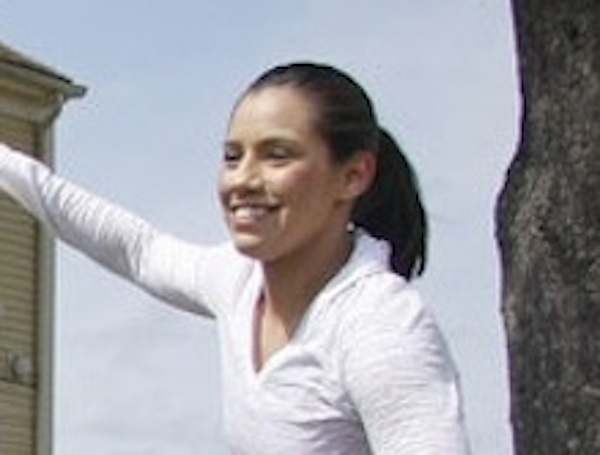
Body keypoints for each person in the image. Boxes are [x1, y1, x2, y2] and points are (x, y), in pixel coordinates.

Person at [0, 62, 470, 454]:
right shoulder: (238, 282)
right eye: (232, 156)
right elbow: (136, 248)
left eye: (277, 156)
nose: (242, 180)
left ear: (353, 175)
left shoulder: (379, 326)